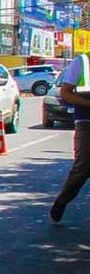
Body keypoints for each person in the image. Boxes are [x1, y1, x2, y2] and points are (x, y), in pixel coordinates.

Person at [49, 53, 90, 222]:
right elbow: (65, 93)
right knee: (84, 167)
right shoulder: (82, 62)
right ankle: (62, 201)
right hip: (87, 123)